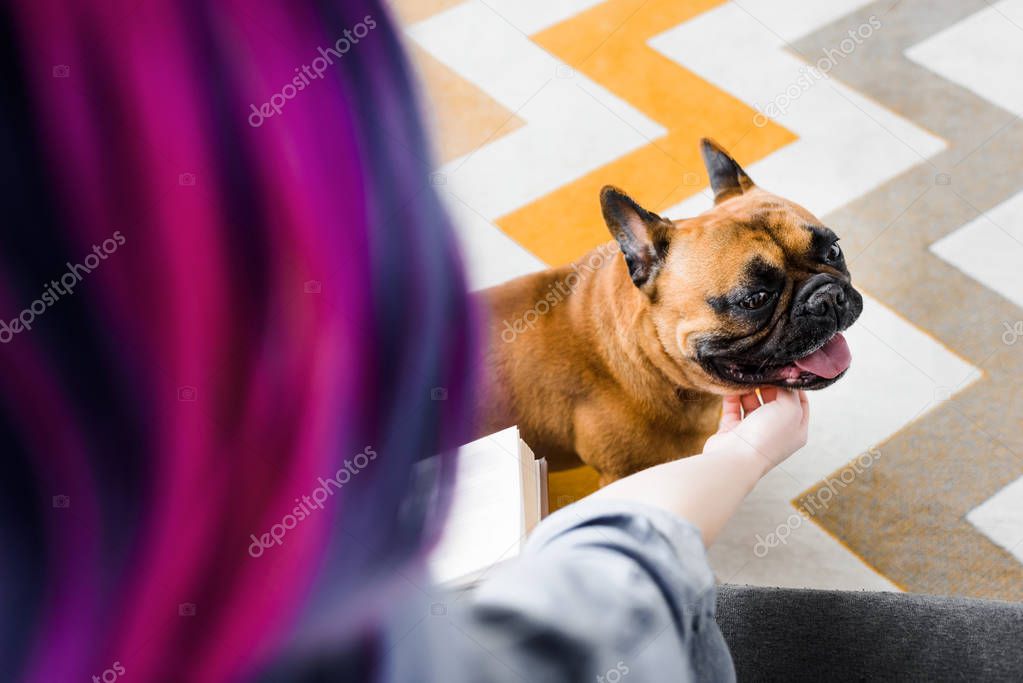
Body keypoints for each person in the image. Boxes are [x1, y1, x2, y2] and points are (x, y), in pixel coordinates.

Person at [2, 2, 1019, 682]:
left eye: (821, 254)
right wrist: (738, 454)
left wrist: (750, 417)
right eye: (755, 304)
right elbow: (629, 550)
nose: (823, 298)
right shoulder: (618, 446)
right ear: (639, 270)